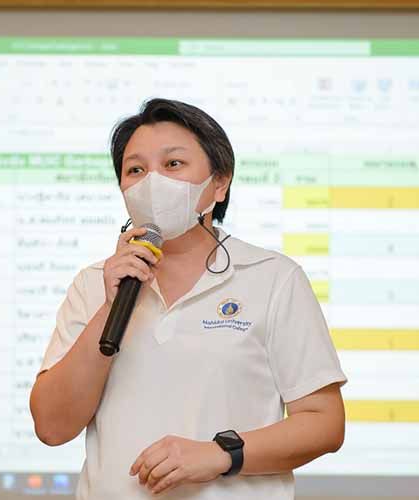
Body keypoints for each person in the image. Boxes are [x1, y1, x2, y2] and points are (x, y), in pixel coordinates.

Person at [29, 98, 347, 500]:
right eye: (136, 170)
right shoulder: (94, 284)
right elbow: (52, 427)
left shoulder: (273, 278)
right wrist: (110, 306)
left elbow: (324, 423)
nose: (152, 182)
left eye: (173, 164)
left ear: (220, 182)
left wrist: (220, 454)